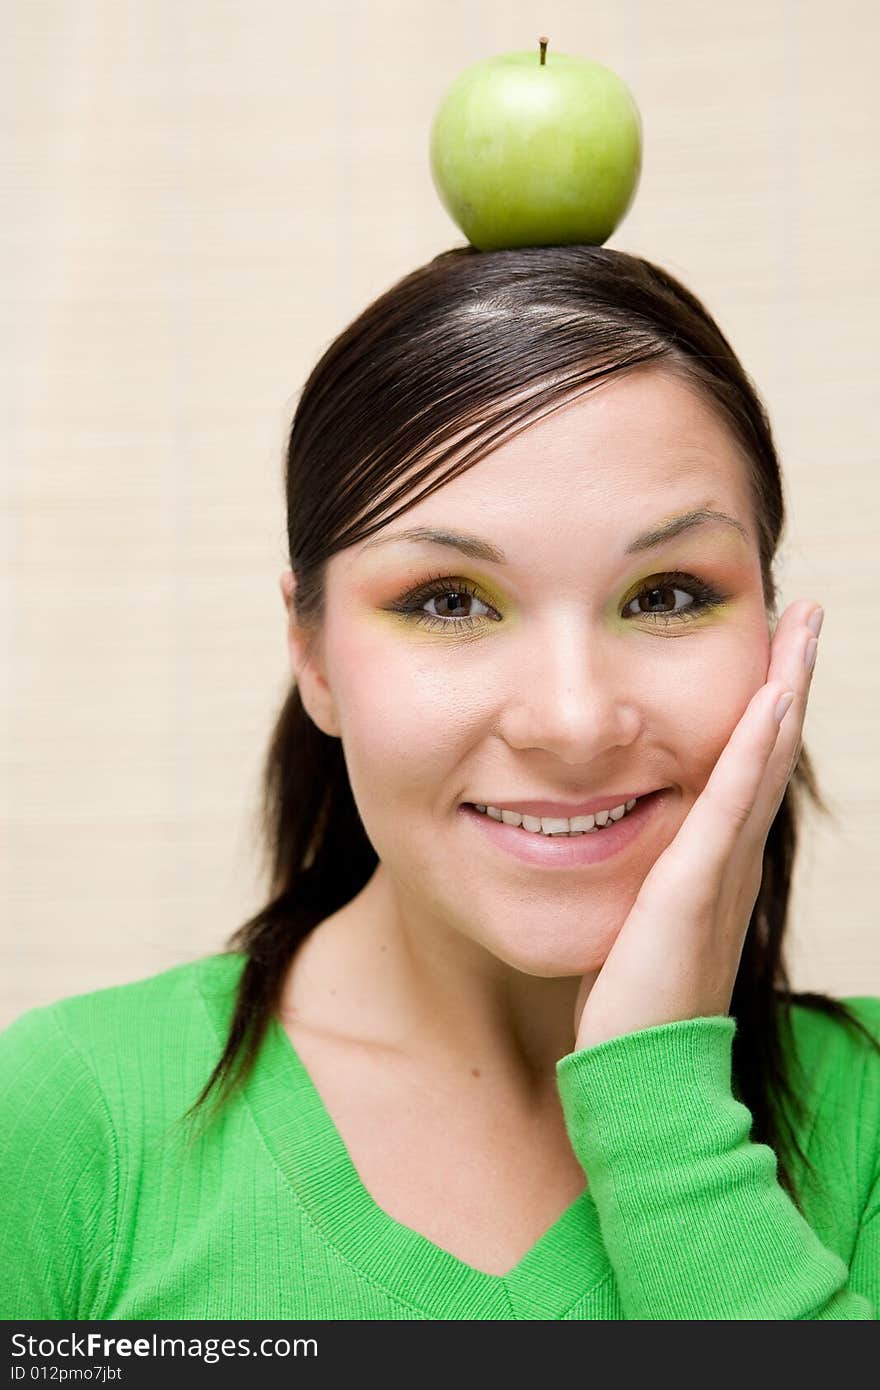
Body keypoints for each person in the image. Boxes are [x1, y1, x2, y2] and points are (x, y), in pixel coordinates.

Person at [1, 245, 878, 1322]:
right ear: (313, 652)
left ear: (774, 635)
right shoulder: (66, 1120)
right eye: (450, 601)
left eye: (665, 593)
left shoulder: (869, 1120)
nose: (571, 720)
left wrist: (663, 1118)